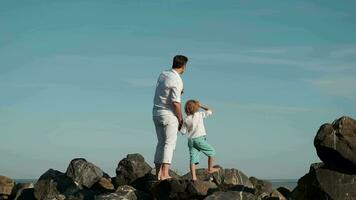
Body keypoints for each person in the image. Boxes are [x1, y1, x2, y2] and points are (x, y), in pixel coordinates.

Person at [152, 55, 188, 180]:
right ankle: (165, 173)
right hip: (168, 114)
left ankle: (158, 173)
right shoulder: (177, 79)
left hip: (156, 112)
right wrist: (180, 118)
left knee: (160, 143)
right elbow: (175, 103)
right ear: (183, 66)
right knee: (169, 143)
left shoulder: (163, 74)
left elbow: (164, 90)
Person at [180, 100, 219, 181]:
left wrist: (180, 123)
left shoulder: (186, 119)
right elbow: (210, 111)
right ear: (196, 108)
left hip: (191, 141)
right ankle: (210, 168)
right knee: (212, 152)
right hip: (199, 139)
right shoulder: (199, 114)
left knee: (192, 159)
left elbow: (182, 132)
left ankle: (194, 177)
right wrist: (201, 106)